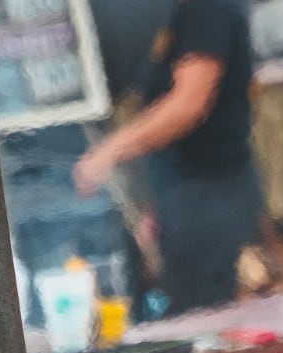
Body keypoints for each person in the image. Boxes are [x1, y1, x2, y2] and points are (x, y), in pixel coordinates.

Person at [73, 0, 261, 317]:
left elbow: (189, 103)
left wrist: (110, 151)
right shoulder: (171, 14)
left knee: (205, 332)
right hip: (183, 197)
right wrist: (157, 204)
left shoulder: (205, 10)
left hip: (213, 196)